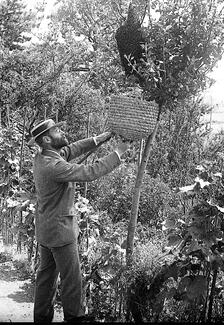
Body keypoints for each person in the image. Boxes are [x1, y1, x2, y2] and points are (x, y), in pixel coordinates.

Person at [28, 119, 129, 323]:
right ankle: (74, 318)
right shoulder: (54, 166)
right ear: (47, 139)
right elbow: (89, 172)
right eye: (57, 130)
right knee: (72, 280)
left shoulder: (44, 156)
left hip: (46, 230)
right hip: (60, 232)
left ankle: (41, 318)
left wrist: (98, 139)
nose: (62, 131)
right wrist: (118, 153)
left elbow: (72, 149)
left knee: (46, 278)